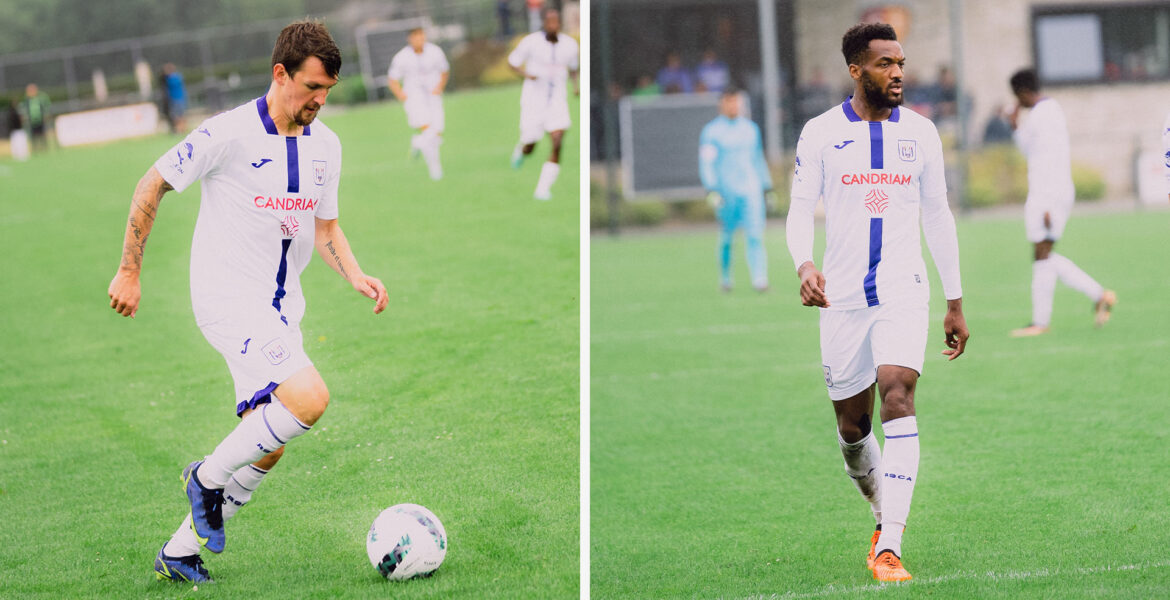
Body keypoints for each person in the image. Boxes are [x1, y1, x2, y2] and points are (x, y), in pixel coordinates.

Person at [107, 20, 389, 583]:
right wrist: (129, 270)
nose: (320, 100)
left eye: (328, 90)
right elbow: (151, 184)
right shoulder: (228, 133)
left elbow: (325, 227)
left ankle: (179, 554)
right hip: (227, 298)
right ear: (280, 73)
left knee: (266, 443)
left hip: (282, 309)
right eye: (312, 87)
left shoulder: (326, 145)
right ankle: (204, 479)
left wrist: (355, 274)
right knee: (308, 398)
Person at [786, 22, 969, 583]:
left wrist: (955, 299)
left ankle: (890, 545)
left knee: (898, 392)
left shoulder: (922, 133)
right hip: (841, 297)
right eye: (885, 64)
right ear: (856, 70)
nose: (897, 73)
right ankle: (879, 514)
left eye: (901, 63)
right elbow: (799, 208)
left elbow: (938, 215)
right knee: (852, 428)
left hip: (902, 287)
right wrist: (805, 265)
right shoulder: (820, 133)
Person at [1007, 69, 1115, 337]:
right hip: (1050, 190)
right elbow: (1034, 152)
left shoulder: (1041, 115)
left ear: (1022, 92)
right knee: (1042, 255)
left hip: (1048, 192)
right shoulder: (1049, 110)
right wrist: (1016, 126)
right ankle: (1096, 296)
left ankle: (1043, 321)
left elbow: (1047, 161)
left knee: (1043, 255)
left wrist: (1046, 203)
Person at [699, 88, 773, 292]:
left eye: (736, 102)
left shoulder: (750, 129)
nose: (734, 106)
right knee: (727, 238)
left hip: (751, 190)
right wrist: (711, 189)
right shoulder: (711, 132)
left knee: (755, 235)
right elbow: (707, 163)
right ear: (722, 104)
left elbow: (757, 159)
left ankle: (760, 280)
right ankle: (725, 279)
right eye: (730, 102)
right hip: (726, 192)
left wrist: (767, 186)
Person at [507, 8, 579, 200]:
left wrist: (575, 86)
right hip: (534, 101)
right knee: (531, 145)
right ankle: (522, 149)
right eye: (550, 22)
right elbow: (512, 62)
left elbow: (573, 68)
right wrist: (526, 74)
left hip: (557, 101)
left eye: (556, 22)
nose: (553, 25)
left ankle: (542, 189)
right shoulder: (531, 42)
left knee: (557, 142)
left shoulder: (569, 45)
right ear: (543, 23)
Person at [387, 27, 450, 181]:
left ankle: (418, 142)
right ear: (410, 39)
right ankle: (435, 170)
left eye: (422, 37)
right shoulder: (402, 57)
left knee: (436, 134)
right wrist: (402, 95)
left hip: (433, 97)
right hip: (415, 99)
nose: (419, 40)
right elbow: (392, 79)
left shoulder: (435, 52)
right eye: (416, 37)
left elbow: (444, 71)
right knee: (428, 131)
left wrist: (439, 87)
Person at [18, 83, 50, 153]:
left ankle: (44, 148)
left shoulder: (40, 98)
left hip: (40, 120)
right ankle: (35, 149)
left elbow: (45, 107)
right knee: (33, 136)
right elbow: (23, 109)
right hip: (32, 121)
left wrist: (45, 115)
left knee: (42, 135)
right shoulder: (26, 100)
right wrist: (25, 117)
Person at [163, 64, 188, 134]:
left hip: (177, 99)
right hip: (177, 99)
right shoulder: (178, 76)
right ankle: (181, 129)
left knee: (178, 115)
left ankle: (181, 129)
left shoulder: (172, 78)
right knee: (179, 115)